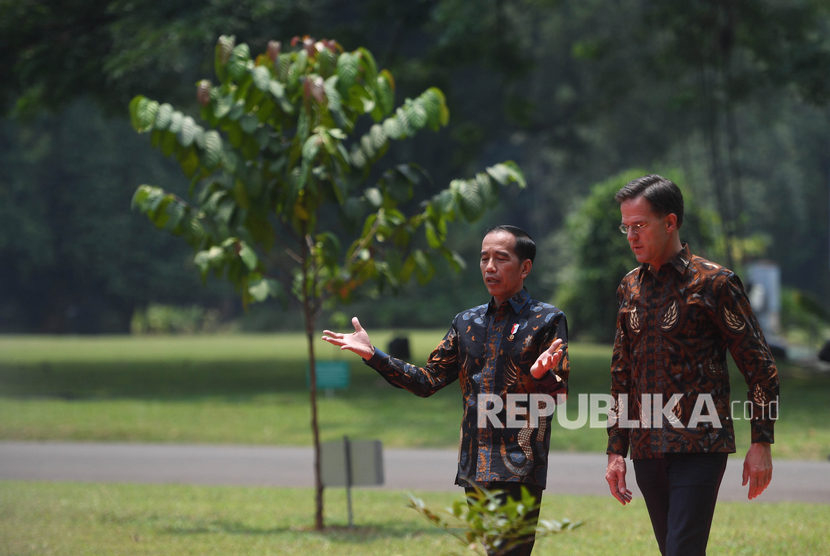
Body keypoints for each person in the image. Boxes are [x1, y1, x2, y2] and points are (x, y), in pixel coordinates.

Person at [322, 225, 569, 555]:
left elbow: (559, 394)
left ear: (525, 267)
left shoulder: (547, 319)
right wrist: (373, 355)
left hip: (519, 466)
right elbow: (426, 381)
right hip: (475, 464)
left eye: (501, 258)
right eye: (484, 258)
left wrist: (540, 375)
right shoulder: (466, 323)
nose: (490, 267)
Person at [603, 174, 780, 555]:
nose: (631, 236)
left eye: (639, 226)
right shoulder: (629, 287)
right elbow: (621, 374)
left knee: (683, 549)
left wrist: (761, 442)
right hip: (647, 448)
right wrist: (616, 450)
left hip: (700, 444)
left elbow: (760, 366)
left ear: (670, 222)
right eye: (626, 227)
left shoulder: (715, 283)